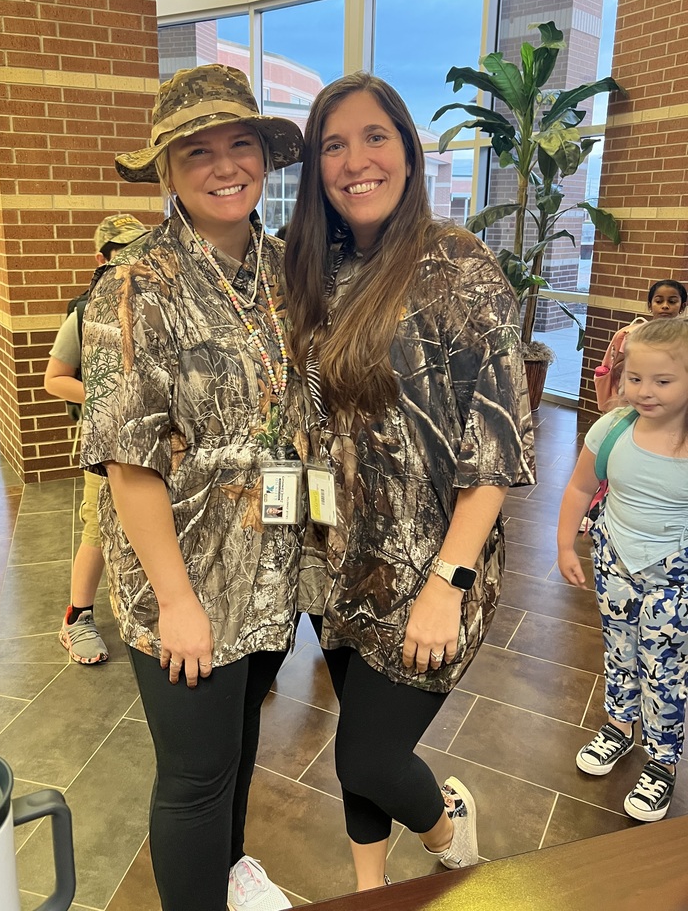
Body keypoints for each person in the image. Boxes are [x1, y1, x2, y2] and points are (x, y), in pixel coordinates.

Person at [284, 72, 535, 890]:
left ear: (408, 149)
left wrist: (446, 582)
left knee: (368, 750)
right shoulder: (314, 270)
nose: (356, 160)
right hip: (339, 555)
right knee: (361, 733)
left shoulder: (459, 268)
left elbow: (495, 448)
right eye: (333, 144)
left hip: (432, 564)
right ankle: (369, 890)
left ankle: (445, 834)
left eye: (374, 137)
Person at [79, 65, 305, 911]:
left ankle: (232, 868)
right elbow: (128, 464)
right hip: (183, 577)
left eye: (239, 144)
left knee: (240, 747)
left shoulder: (288, 272)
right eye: (197, 151)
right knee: (194, 776)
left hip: (271, 566)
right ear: (168, 171)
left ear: (265, 157)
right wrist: (177, 601)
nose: (223, 166)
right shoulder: (134, 286)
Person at [557, 317, 688, 823]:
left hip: (674, 576)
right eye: (634, 378)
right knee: (620, 649)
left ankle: (662, 759)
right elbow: (578, 488)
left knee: (665, 667)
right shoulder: (612, 429)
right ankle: (618, 726)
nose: (644, 391)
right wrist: (566, 545)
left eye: (662, 381)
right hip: (615, 560)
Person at [44, 213, 149, 665]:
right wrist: (108, 394)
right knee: (100, 529)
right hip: (107, 444)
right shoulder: (86, 310)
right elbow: (54, 380)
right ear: (101, 258)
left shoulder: (161, 303)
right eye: (119, 253)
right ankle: (77, 618)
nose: (130, 261)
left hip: (153, 442)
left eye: (138, 251)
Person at [594, 279, 687, 412]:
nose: (665, 306)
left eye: (672, 301)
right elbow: (618, 369)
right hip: (632, 400)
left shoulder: (683, 338)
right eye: (659, 301)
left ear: (682, 306)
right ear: (650, 305)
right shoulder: (633, 335)